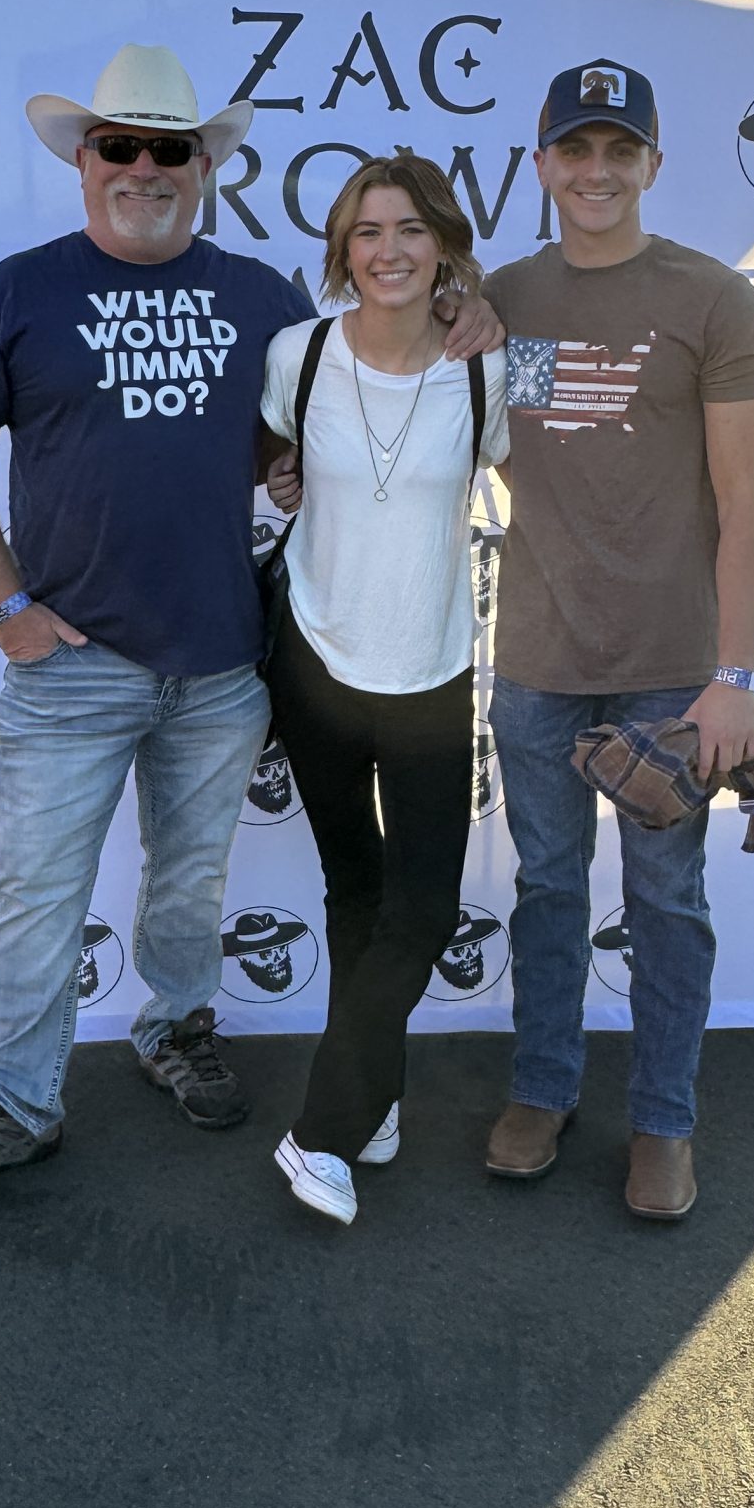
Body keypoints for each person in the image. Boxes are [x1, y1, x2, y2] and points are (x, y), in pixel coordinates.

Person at [0, 45, 499, 1210]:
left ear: (204, 166)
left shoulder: (264, 300)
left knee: (188, 883)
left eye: (167, 149)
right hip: (71, 662)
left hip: (225, 661)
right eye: (119, 146)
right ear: (84, 160)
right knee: (38, 889)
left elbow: (352, 386)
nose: (143, 168)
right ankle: (10, 1098)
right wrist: (8, 608)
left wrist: (466, 308)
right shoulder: (18, 291)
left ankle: (175, 1026)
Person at [480, 59, 754, 1222]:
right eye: (575, 149)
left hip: (671, 669)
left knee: (668, 903)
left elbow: (747, 505)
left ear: (653, 162)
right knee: (548, 888)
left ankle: (664, 1119)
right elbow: (475, 439)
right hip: (538, 656)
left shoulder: (715, 300)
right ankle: (543, 1089)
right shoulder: (503, 299)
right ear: (541, 162)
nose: (595, 171)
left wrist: (734, 678)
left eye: (619, 150)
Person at [259, 155, 510, 1226]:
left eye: (411, 229)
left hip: (431, 666)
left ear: (444, 245)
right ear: (341, 250)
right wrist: (281, 475)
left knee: (425, 905)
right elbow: (276, 453)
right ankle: (375, 1099)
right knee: (354, 890)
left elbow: (541, 474)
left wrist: (488, 314)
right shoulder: (300, 353)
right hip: (314, 657)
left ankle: (319, 1129)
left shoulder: (490, 366)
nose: (389, 250)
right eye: (367, 232)